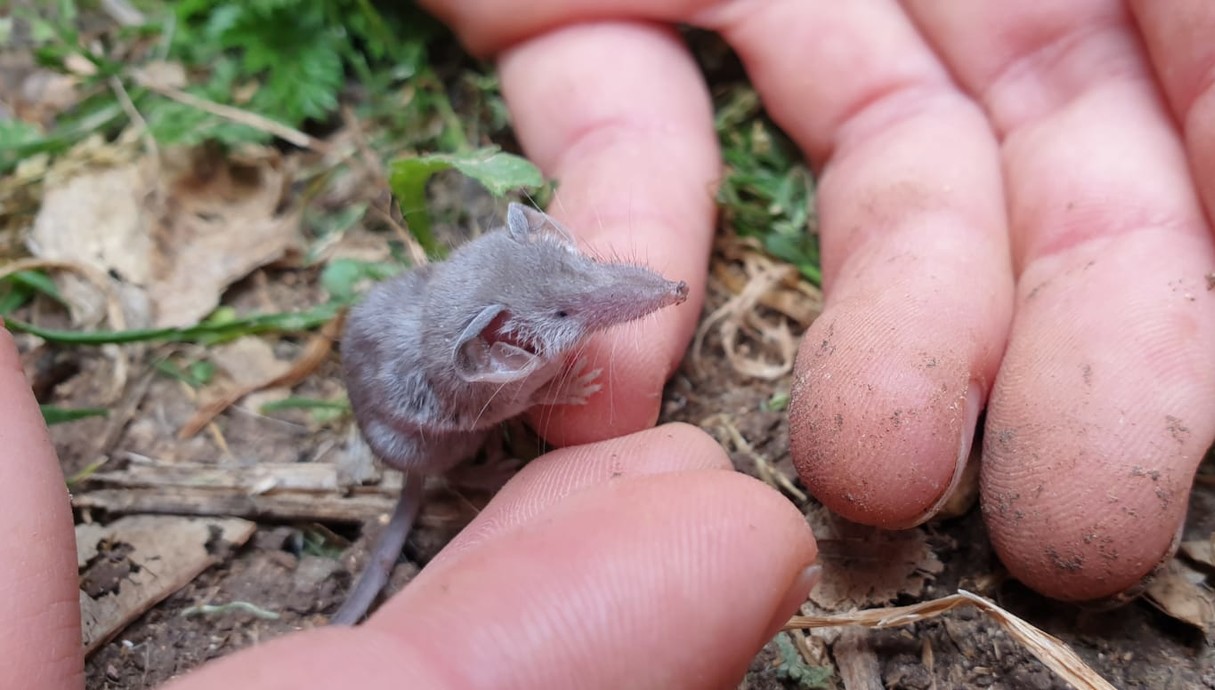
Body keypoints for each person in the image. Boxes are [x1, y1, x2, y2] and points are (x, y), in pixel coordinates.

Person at [4, 2, 1212, 688]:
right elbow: (457, 396)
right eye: (571, 315)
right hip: (426, 418)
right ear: (499, 348)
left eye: (573, 277)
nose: (623, 298)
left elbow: (580, 290)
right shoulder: (467, 378)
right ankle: (399, 550)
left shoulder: (499, 298)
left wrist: (579, 322)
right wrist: (551, 375)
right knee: (434, 450)